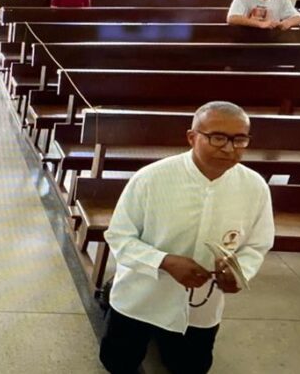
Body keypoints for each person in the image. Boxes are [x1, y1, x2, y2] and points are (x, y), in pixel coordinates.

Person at [100, 101, 274, 374]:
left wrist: (241, 273)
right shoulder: (152, 178)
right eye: (217, 138)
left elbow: (257, 243)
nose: (229, 148)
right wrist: (165, 261)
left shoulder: (254, 186)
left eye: (239, 140)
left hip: (202, 304)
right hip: (141, 294)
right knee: (119, 361)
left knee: (192, 367)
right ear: (192, 137)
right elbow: (120, 236)